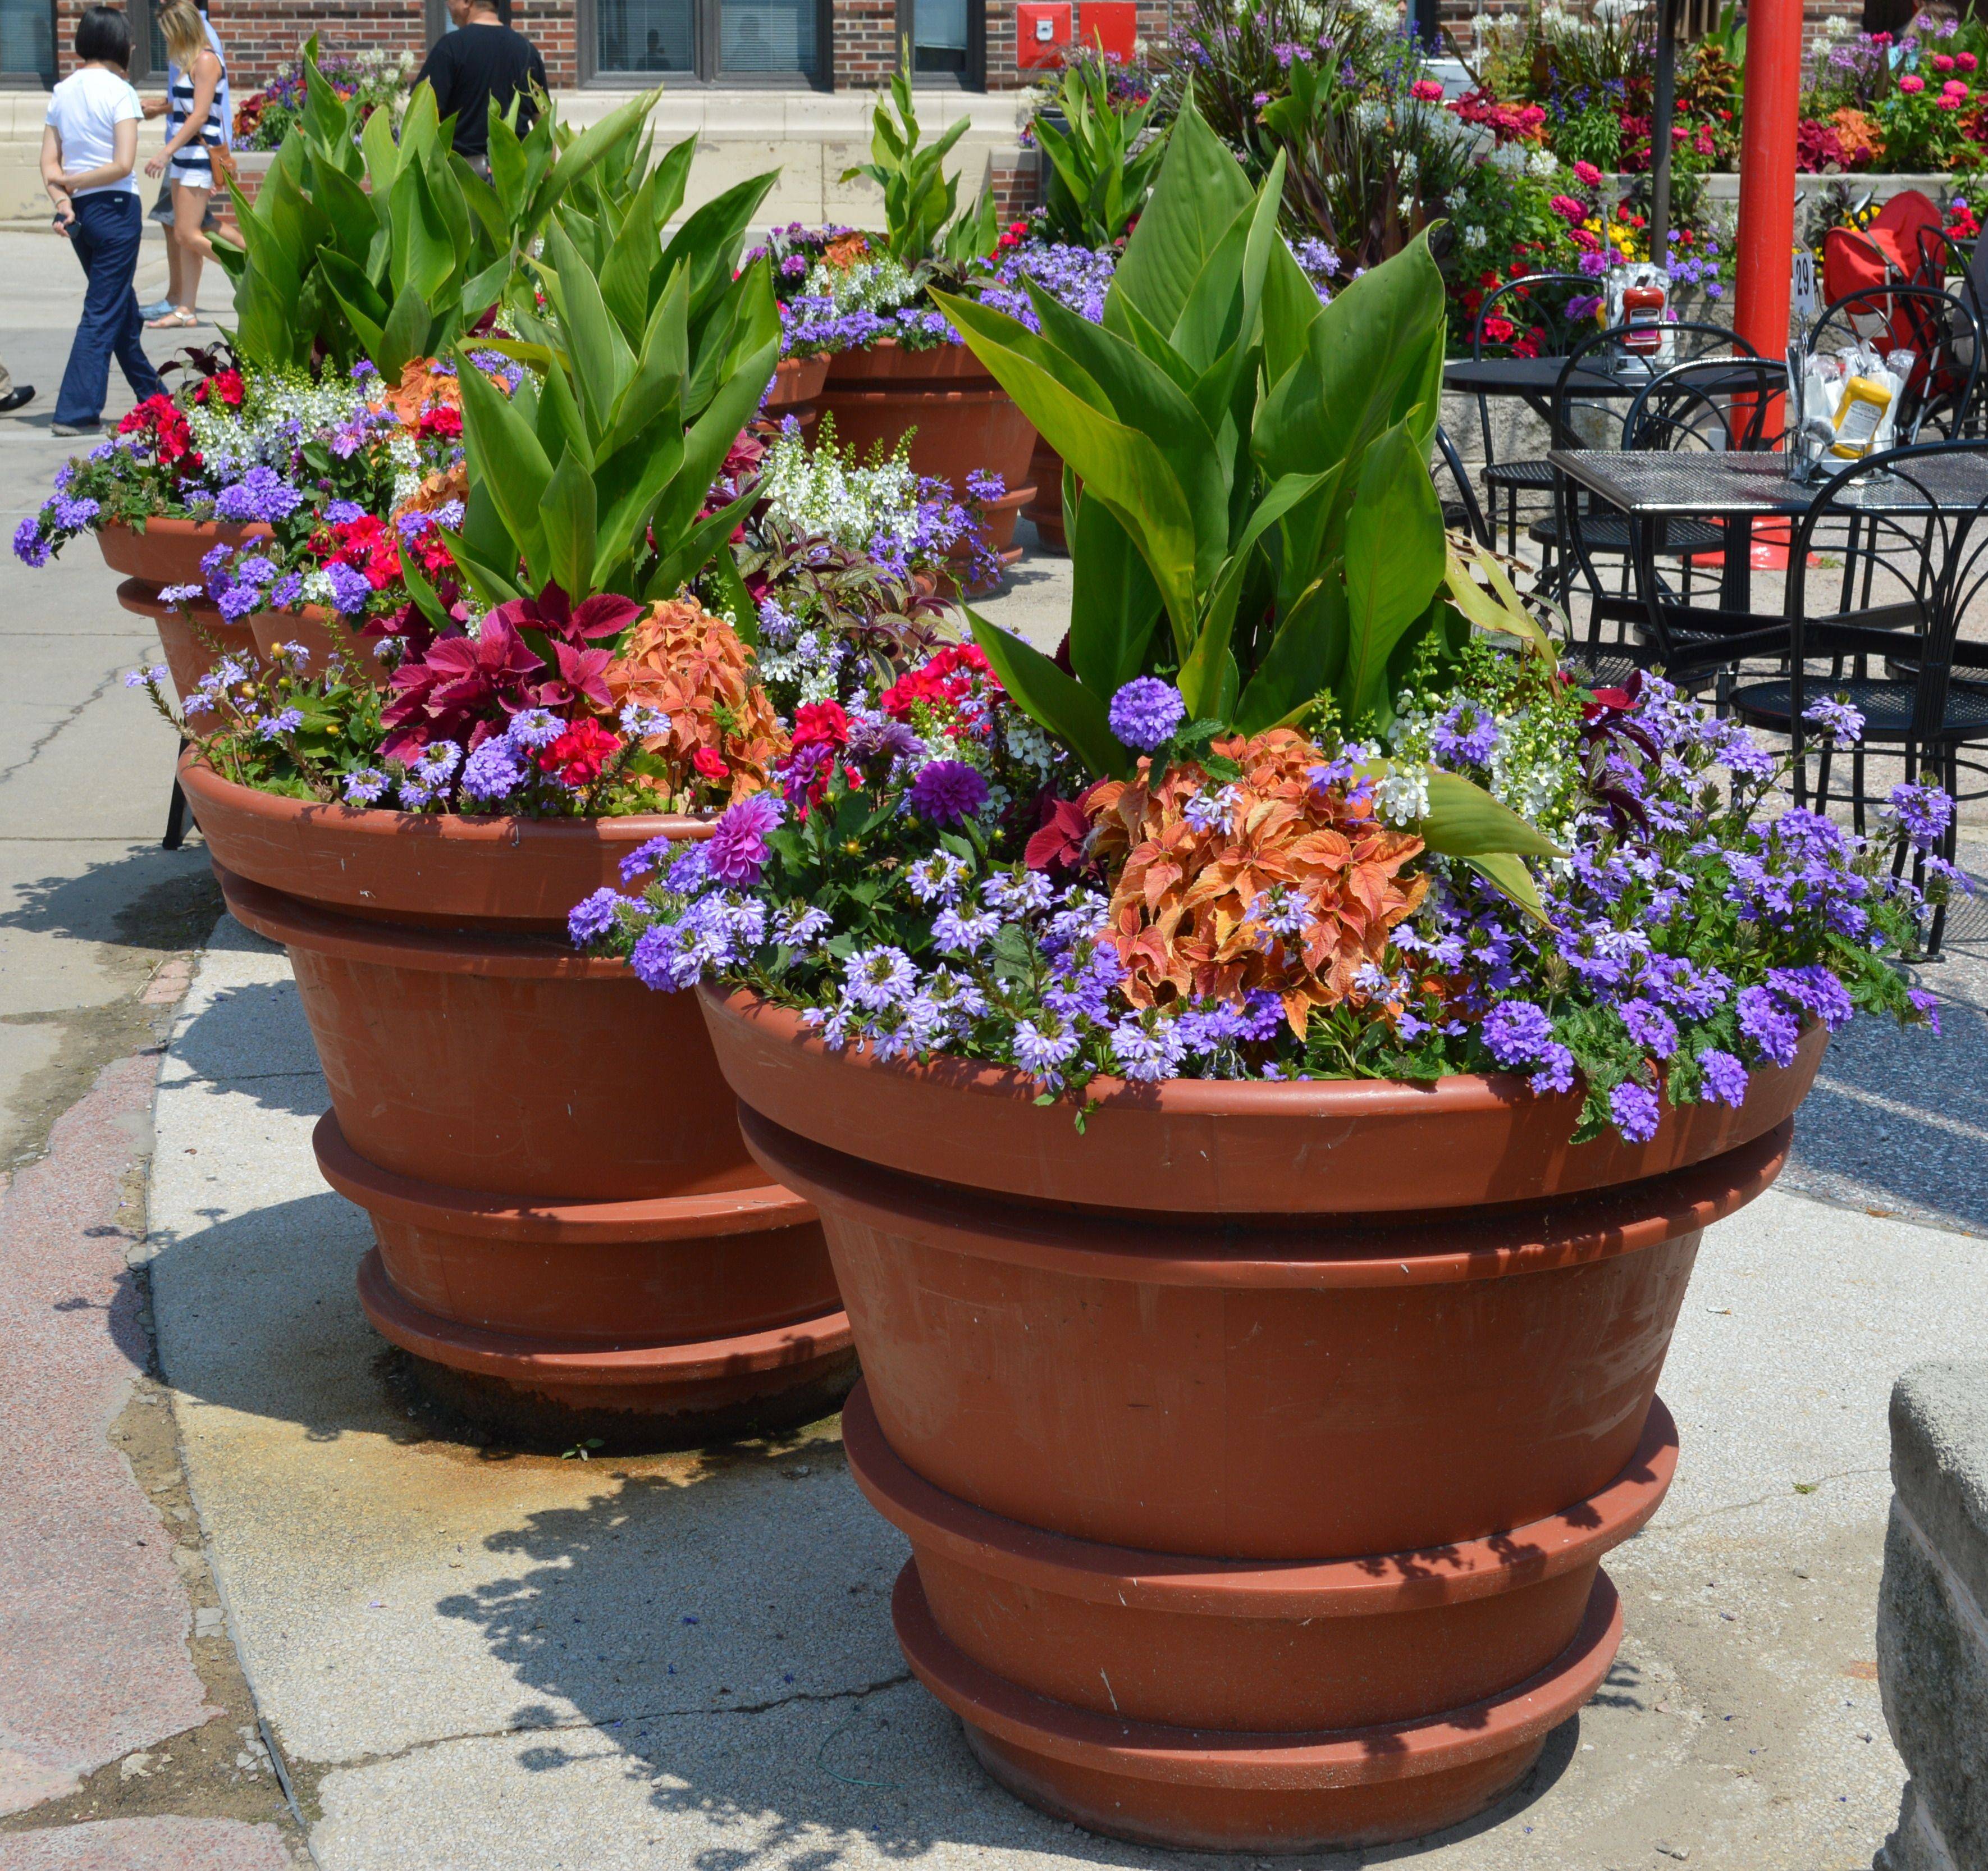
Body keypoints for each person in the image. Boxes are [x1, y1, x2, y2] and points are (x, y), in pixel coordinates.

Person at [42, 6, 164, 437]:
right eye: (130, 39)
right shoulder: (119, 90)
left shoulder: (62, 91)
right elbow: (122, 164)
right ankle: (74, 411)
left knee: (121, 313)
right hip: (115, 211)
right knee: (103, 312)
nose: (133, 46)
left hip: (82, 219)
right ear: (117, 42)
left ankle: (158, 401)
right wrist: (73, 184)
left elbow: (48, 164)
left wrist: (65, 200)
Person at [140, 0, 227, 328]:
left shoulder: (205, 61)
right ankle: (186, 309)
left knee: (188, 234)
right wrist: (160, 109)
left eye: (169, 33)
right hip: (184, 157)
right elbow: (187, 103)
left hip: (196, 157)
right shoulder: (190, 61)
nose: (166, 39)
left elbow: (201, 115)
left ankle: (250, 272)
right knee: (184, 235)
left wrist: (165, 152)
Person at [414, 0, 547, 174]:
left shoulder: (450, 48)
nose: (447, 4)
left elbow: (420, 123)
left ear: (467, 2)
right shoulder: (528, 51)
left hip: (461, 183)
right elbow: (545, 132)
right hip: (513, 183)